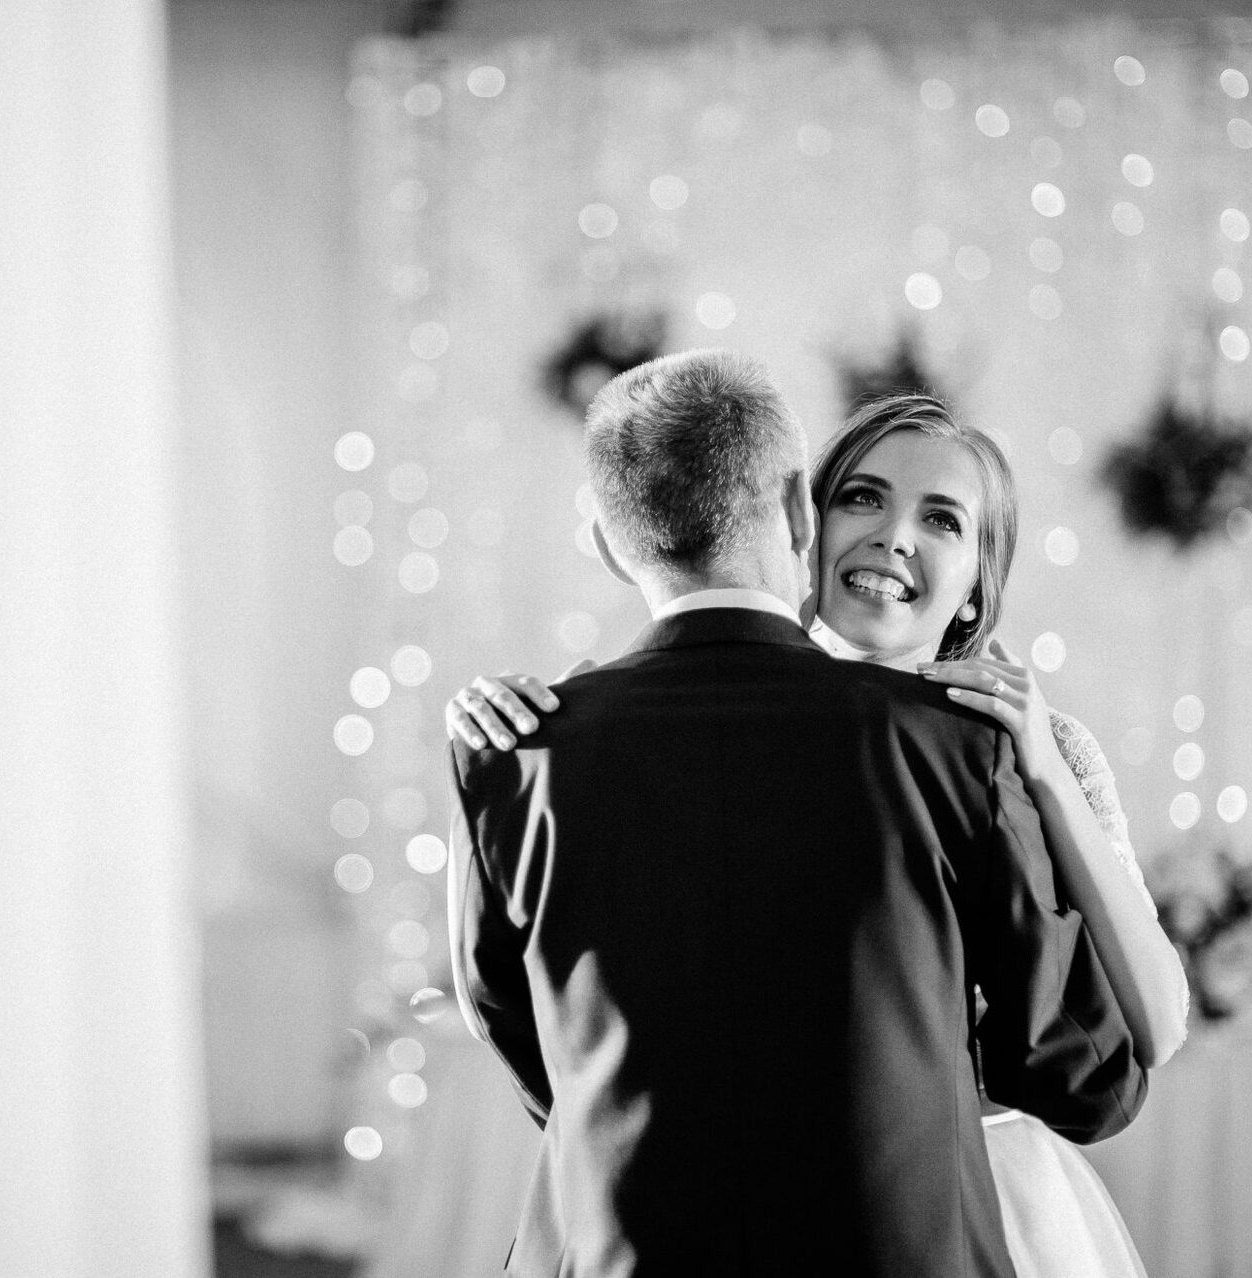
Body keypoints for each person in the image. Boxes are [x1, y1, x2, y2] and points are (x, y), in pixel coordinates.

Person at [449, 385, 1189, 1278]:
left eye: (943, 520)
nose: (893, 538)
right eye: (863, 498)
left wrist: (1046, 774)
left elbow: (1142, 1032)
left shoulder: (1018, 746)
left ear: (975, 585)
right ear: (805, 525)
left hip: (955, 1198)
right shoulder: (624, 720)